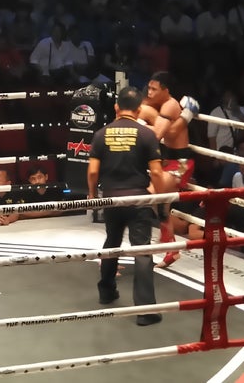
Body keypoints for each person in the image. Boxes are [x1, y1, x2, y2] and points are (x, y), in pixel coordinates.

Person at [87, 86, 165, 326]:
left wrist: (93, 195)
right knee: (141, 251)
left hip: (112, 198)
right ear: (139, 109)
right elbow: (157, 172)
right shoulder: (146, 134)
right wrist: (160, 200)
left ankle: (106, 292)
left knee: (112, 243)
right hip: (138, 198)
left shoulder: (101, 134)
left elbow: (93, 171)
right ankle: (145, 310)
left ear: (116, 107)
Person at [138, 71, 200, 267]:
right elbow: (169, 132)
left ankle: (145, 249)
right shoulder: (156, 104)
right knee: (161, 205)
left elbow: (159, 135)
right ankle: (172, 250)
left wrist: (139, 126)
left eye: (154, 89)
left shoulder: (170, 105)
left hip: (180, 163)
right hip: (168, 161)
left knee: (149, 197)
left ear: (165, 90)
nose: (149, 92)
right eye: (149, 88)